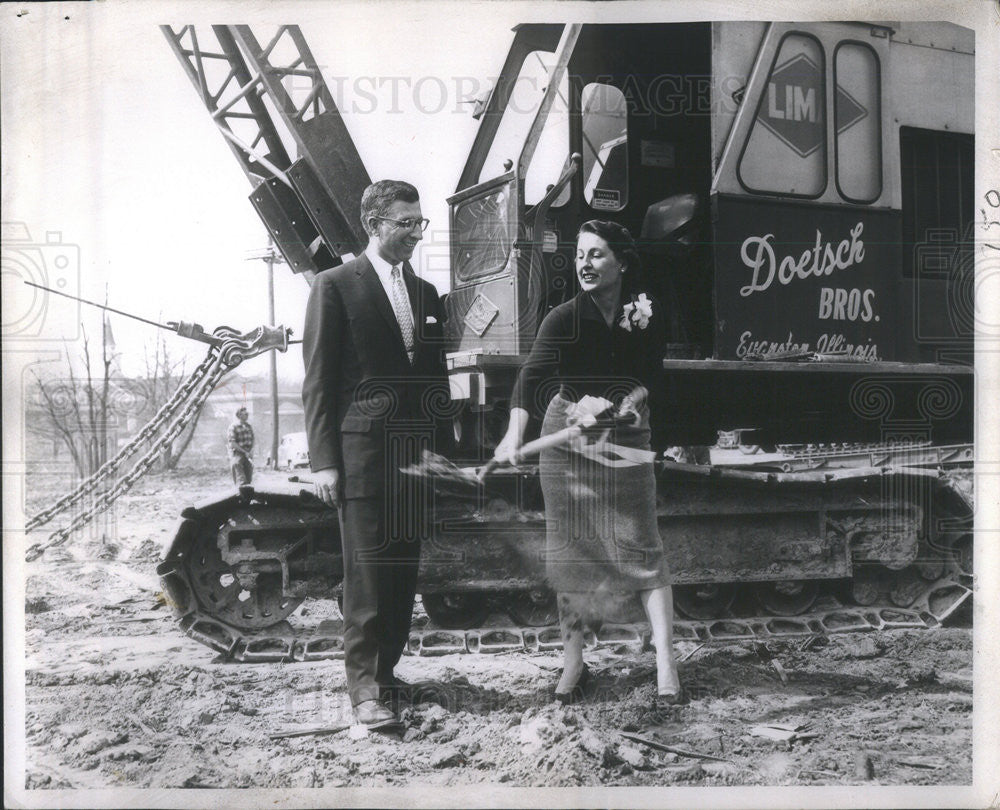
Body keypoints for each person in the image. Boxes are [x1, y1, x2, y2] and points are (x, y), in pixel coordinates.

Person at [493, 219, 683, 706]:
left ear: (621, 261)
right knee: (570, 555)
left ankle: (665, 662)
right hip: (566, 437)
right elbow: (529, 382)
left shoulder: (646, 312)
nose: (585, 264)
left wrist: (632, 402)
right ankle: (574, 663)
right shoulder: (563, 318)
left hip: (625, 434)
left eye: (597, 255)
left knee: (642, 546)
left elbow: (650, 378)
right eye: (580, 255)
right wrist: (513, 436)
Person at [302, 179, 449, 730]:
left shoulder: (428, 295)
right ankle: (364, 693)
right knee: (366, 577)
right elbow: (318, 380)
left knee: (401, 577)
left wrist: (442, 452)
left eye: (419, 222)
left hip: (414, 458)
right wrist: (324, 462)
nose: (415, 232)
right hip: (361, 457)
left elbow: (434, 382)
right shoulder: (335, 287)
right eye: (403, 223)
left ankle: (385, 676)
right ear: (373, 224)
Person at [227, 406, 254, 486]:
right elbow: (232, 443)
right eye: (245, 414)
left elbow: (252, 440)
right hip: (237, 453)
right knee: (240, 479)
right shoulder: (233, 427)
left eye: (247, 413)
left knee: (248, 479)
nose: (247, 415)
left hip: (247, 454)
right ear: (239, 415)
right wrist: (244, 452)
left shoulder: (248, 426)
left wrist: (250, 451)